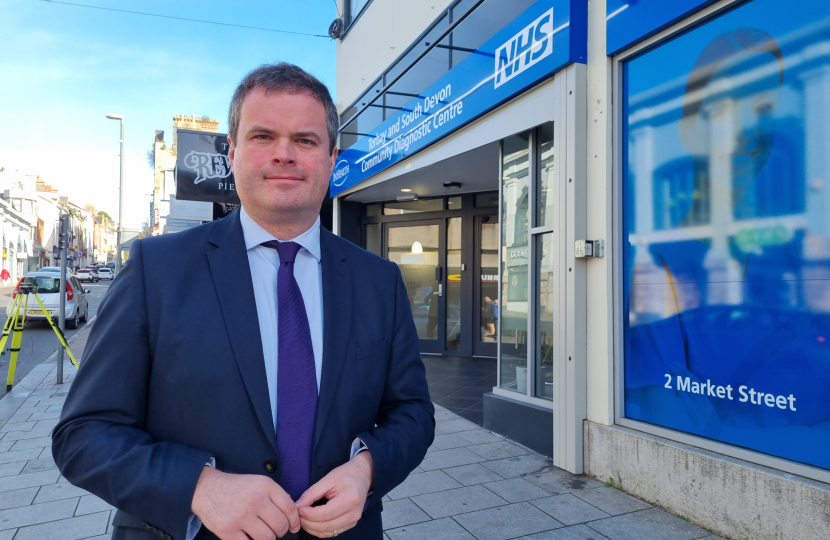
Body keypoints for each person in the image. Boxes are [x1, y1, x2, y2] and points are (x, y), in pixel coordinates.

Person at [52, 63, 435, 540]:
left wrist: (367, 470)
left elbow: (413, 413)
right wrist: (199, 487)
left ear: (332, 157)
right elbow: (83, 434)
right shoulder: (157, 269)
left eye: (305, 140)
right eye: (262, 137)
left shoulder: (378, 280)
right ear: (231, 152)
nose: (284, 155)